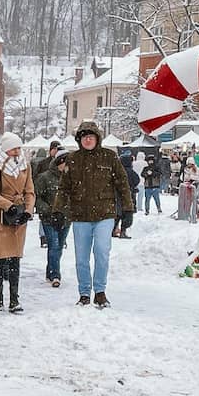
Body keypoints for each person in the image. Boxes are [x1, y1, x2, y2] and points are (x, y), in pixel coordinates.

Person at [54, 120, 133, 308]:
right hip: (80, 215)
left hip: (105, 214)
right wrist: (57, 210)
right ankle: (84, 293)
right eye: (84, 137)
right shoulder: (72, 160)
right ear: (79, 140)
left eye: (91, 137)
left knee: (101, 252)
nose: (88, 140)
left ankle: (99, 291)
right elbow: (64, 188)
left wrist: (128, 208)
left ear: (97, 138)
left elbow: (122, 184)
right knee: (81, 257)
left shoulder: (110, 157)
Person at [0, 132, 35, 314]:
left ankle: (14, 299)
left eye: (19, 148)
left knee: (15, 259)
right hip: (0, 217)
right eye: (14, 148)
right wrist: (7, 205)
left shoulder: (25, 166)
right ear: (6, 149)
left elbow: (30, 191)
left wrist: (28, 211)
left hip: (18, 218)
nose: (17, 151)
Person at [35, 152, 70, 287]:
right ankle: (55, 274)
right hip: (49, 218)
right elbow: (37, 197)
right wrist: (49, 210)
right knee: (54, 245)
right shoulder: (45, 177)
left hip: (66, 218)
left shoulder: (71, 179)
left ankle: (50, 271)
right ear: (59, 163)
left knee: (59, 246)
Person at [115, 151, 138, 238]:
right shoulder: (130, 171)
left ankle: (114, 230)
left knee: (117, 214)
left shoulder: (117, 171)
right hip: (128, 196)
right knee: (127, 215)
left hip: (117, 196)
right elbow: (137, 180)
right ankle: (123, 232)